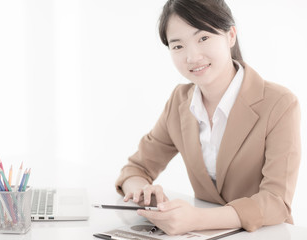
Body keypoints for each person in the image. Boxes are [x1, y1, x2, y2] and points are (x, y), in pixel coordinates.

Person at [115, 0, 301, 235]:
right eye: (178, 46)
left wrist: (197, 219)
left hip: (264, 235)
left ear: (230, 35)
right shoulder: (179, 102)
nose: (192, 57)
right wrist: (142, 190)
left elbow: (276, 202)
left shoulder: (279, 103)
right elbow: (136, 168)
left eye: (203, 38)